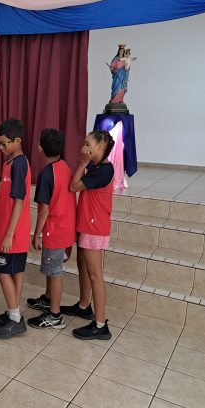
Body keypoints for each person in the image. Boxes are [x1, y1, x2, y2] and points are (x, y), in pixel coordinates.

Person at [63, 130, 115, 340]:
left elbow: (73, 186)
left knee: (95, 275)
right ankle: (84, 305)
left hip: (94, 228)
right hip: (86, 224)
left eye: (87, 144)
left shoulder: (103, 170)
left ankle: (100, 324)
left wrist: (83, 162)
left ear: (100, 147)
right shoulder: (96, 167)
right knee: (82, 266)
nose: (83, 148)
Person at [26, 129, 76, 330]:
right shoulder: (65, 167)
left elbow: (44, 210)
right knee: (52, 268)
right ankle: (48, 299)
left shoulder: (46, 174)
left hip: (55, 230)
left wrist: (36, 234)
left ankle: (55, 315)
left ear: (40, 149)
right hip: (66, 228)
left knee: (54, 272)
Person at [0, 119, 31, 339]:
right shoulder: (10, 162)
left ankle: (15, 319)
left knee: (2, 270)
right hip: (11, 231)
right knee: (15, 272)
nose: (1, 148)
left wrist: (9, 234)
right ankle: (13, 312)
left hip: (14, 233)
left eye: (4, 143)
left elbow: (19, 201)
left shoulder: (19, 164)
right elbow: (10, 190)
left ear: (17, 141)